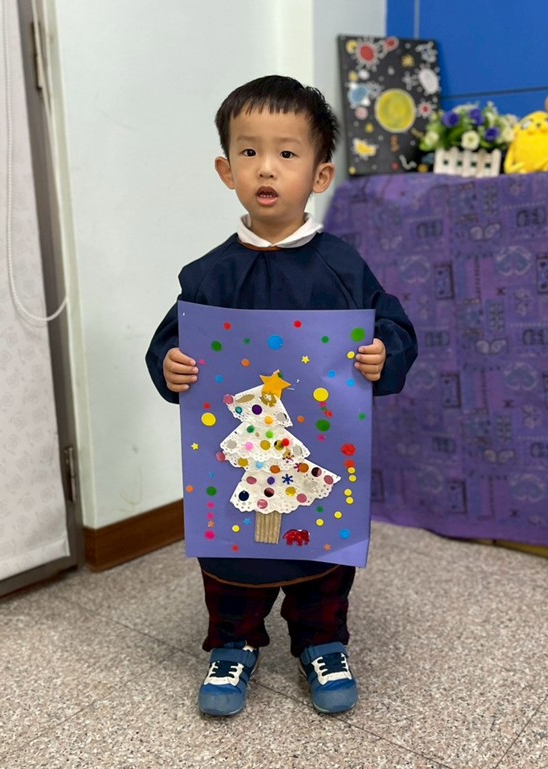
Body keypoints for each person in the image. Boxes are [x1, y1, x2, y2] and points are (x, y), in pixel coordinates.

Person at [145, 75, 418, 717]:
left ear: (320, 175)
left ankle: (322, 642)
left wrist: (384, 353)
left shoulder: (343, 268)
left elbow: (394, 326)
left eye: (287, 153)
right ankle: (231, 644)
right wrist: (171, 365)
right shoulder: (207, 275)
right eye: (249, 151)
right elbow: (170, 343)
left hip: (313, 448)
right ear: (226, 169)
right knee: (232, 555)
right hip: (234, 458)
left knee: (322, 554)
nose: (266, 167)